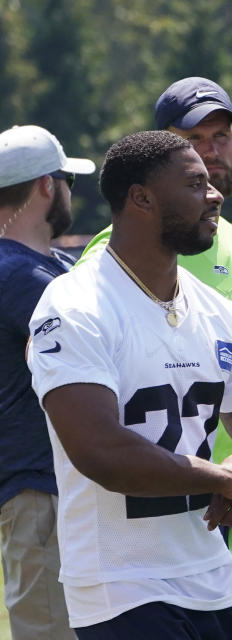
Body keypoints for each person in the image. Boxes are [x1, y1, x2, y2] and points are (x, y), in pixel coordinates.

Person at [26, 130, 232, 638]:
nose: (214, 194)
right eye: (194, 184)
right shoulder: (74, 306)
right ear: (141, 198)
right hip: (119, 583)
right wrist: (220, 479)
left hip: (212, 571)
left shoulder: (219, 312)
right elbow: (100, 452)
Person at [79, 76, 232, 574]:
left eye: (221, 136)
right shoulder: (120, 247)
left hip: (229, 493)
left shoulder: (227, 237)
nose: (210, 152)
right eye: (194, 140)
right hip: (147, 511)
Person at [0, 124, 94, 639]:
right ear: (43, 185)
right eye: (66, 181)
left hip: (63, 491)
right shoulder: (14, 273)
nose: (69, 193)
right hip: (38, 493)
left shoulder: (50, 265)